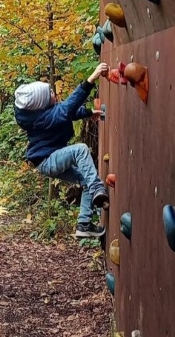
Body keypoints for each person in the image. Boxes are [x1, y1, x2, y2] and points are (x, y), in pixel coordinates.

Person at [14, 63, 110, 238]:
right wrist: (90, 79)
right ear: (42, 103)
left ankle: (84, 224)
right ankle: (97, 188)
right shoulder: (44, 117)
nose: (54, 93)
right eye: (50, 93)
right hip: (48, 160)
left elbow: (65, 112)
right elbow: (65, 110)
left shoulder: (41, 114)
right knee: (80, 150)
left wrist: (88, 112)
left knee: (85, 178)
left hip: (47, 160)